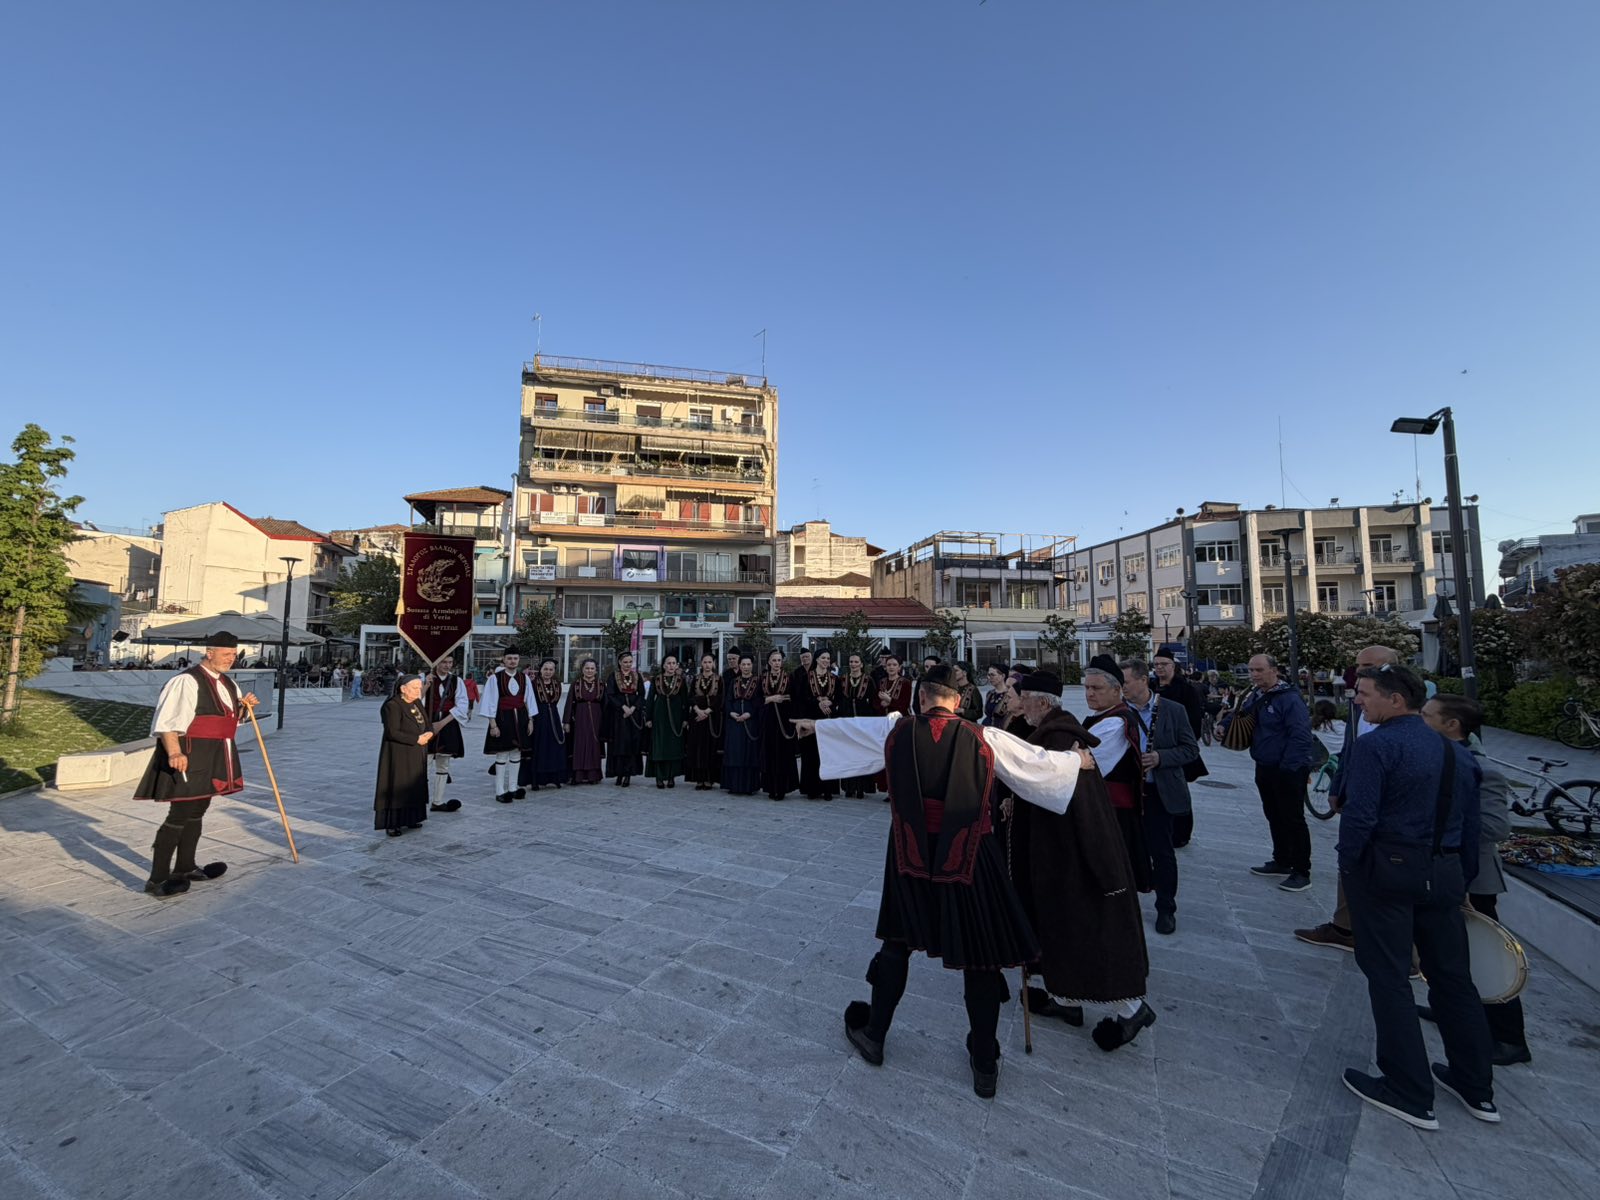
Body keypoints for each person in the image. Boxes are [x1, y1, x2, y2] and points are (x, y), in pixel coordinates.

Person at [794, 665, 1093, 1098]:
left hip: (910, 852)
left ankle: (875, 1035)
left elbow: (858, 731)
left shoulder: (897, 732)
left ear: (921, 698)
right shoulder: (984, 737)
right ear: (957, 701)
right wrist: (1076, 761)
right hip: (968, 854)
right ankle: (984, 1062)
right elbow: (1036, 765)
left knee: (897, 943)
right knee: (979, 955)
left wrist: (816, 726)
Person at [1338, 664, 1496, 1129]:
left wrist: (1350, 866)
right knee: (1453, 977)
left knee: (1389, 976)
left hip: (1389, 872)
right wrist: (1461, 879)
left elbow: (1360, 817)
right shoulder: (1455, 752)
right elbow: (1471, 826)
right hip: (1444, 872)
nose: (1358, 700)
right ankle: (1476, 1085)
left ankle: (1407, 1088)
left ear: (1395, 700)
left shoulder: (1377, 747)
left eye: (1365, 693)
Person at [1008, 671, 1157, 1048]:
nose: (1019, 704)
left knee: (1085, 926)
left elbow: (1058, 792)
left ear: (1042, 702)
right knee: (1057, 924)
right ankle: (1065, 999)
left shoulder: (1061, 738)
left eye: (1024, 697)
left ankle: (1131, 1007)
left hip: (1073, 851)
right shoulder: (1053, 731)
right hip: (1055, 848)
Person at [1421, 694, 1531, 1067]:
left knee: (1484, 953)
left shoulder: (1483, 769)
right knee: (1445, 951)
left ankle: (1509, 1037)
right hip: (1444, 870)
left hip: (1474, 877)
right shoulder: (1436, 758)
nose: (1420, 720)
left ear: (1452, 725)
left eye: (1428, 715)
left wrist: (1446, 826)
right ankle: (1448, 1006)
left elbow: (1497, 827)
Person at [132, 632, 259, 898]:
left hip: (217, 755)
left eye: (233, 654)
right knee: (179, 814)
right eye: (226, 654)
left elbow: (227, 720)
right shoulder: (186, 681)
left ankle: (186, 867)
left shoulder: (229, 683)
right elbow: (167, 721)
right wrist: (175, 752)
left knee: (198, 809)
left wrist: (246, 708)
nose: (231, 659)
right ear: (209, 653)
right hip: (190, 754)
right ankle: (157, 879)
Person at [1296, 645, 1399, 949]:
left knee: (1389, 865)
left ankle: (1399, 945)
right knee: (1349, 858)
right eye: (1358, 666)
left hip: (1391, 797)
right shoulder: (1358, 704)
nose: (1359, 672)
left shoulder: (1405, 703)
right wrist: (1337, 786)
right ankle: (1344, 927)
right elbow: (1349, 748)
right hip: (1356, 792)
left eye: (1368, 666)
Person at [1120, 657, 1199, 936]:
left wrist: (1160, 757)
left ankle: (1166, 908)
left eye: (1126, 682)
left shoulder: (1173, 710)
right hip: (1129, 791)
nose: (1122, 688)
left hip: (1158, 791)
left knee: (1162, 852)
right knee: (1126, 849)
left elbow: (1191, 749)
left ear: (1143, 680)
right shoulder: (1119, 712)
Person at [1242, 654, 1316, 892]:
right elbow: (1244, 715)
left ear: (1274, 670)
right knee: (1273, 814)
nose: (1254, 674)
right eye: (1251, 670)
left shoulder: (1289, 698)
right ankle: (1282, 860)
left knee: (1293, 818)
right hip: (1265, 764)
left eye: (1259, 670)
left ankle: (1301, 871)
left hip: (1287, 768)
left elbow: (1301, 735)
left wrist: (1289, 768)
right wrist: (1224, 726)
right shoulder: (1256, 694)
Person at [1080, 657, 1153, 896]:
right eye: (1087, 687)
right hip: (1105, 807)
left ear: (1116, 690)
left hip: (1113, 812)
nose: (1089, 693)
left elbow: (1087, 765)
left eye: (1096, 688)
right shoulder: (1105, 716)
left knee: (1110, 876)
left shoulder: (1115, 723)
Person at [1153, 649, 1207, 847]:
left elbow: (1194, 721)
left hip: (1177, 748)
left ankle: (1181, 833)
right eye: (1156, 664)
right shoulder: (1151, 686)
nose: (1159, 668)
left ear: (1173, 666)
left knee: (1178, 790)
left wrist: (1185, 746)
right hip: (1155, 748)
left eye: (1164, 664)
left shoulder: (1185, 690)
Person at [375, 674, 436, 836]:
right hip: (399, 753)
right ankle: (393, 823)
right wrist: (416, 739)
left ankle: (412, 817)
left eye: (419, 688)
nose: (418, 691)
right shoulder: (392, 706)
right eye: (414, 688)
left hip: (416, 751)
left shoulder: (416, 702)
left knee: (414, 784)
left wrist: (429, 733)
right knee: (399, 786)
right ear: (403, 689)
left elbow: (427, 722)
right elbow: (392, 732)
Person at [481, 651, 537, 803]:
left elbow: (529, 699)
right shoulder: (495, 678)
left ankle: (513, 788)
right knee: (502, 754)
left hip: (521, 719)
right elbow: (489, 702)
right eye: (509, 658)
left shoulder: (524, 678)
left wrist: (530, 720)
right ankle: (500, 790)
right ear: (504, 660)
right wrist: (493, 724)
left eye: (515, 658)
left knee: (516, 753)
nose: (513, 661)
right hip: (503, 718)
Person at [422, 654, 469, 812]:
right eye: (444, 662)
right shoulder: (425, 679)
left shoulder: (457, 681)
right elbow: (415, 700)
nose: (447, 665)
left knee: (444, 763)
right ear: (436, 663)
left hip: (448, 724)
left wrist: (442, 723)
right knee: (424, 763)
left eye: (450, 662)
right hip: (427, 723)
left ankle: (438, 801)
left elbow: (462, 704)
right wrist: (426, 686)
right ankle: (419, 801)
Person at [795, 650, 839, 800]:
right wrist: (817, 703)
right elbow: (801, 698)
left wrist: (830, 703)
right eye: (823, 658)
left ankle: (828, 789)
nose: (826, 660)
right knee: (811, 754)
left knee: (827, 754)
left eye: (828, 658)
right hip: (811, 718)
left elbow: (839, 698)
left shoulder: (834, 678)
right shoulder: (806, 677)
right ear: (817, 660)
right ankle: (812, 789)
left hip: (828, 718)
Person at [834, 653, 878, 798]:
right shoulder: (842, 680)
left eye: (856, 662)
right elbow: (838, 699)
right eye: (851, 662)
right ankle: (849, 787)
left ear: (861, 664)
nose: (853, 664)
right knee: (848, 753)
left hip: (863, 720)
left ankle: (861, 787)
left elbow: (874, 700)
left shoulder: (868, 680)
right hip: (847, 719)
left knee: (862, 753)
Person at [758, 648, 799, 800]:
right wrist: (770, 699)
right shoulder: (762, 678)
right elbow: (757, 699)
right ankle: (770, 787)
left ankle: (782, 788)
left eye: (779, 660)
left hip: (784, 720)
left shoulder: (789, 678)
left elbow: (795, 698)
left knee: (783, 754)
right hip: (768, 720)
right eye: (774, 660)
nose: (776, 663)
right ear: (769, 662)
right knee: (769, 753)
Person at [522, 658, 567, 791]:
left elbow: (555, 701)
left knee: (554, 746)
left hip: (553, 717)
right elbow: (528, 701)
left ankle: (554, 777)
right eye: (545, 669)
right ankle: (536, 779)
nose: (548, 672)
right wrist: (530, 719)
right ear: (540, 670)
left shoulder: (556, 684)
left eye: (551, 669)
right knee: (539, 747)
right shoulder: (533, 684)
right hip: (539, 717)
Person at [604, 651, 647, 787]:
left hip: (634, 714)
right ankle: (618, 772)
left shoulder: (637, 676)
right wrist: (622, 707)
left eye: (630, 662)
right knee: (619, 743)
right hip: (618, 715)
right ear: (620, 663)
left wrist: (633, 708)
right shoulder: (613, 676)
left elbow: (641, 694)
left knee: (631, 743)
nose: (628, 664)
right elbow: (610, 695)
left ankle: (628, 773)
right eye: (625, 662)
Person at [723, 654, 763, 795]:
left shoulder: (758, 681)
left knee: (749, 753)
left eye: (748, 664)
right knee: (735, 752)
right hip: (735, 722)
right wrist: (731, 713)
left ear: (752, 665)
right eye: (743, 664)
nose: (746, 667)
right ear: (739, 666)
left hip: (750, 722)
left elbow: (759, 701)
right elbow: (728, 700)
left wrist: (749, 713)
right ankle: (734, 785)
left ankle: (748, 786)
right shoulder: (734, 682)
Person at [645, 655, 688, 788]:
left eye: (674, 663)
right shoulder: (656, 679)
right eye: (668, 663)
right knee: (659, 745)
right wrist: (648, 718)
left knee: (673, 746)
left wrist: (685, 718)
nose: (671, 666)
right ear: (664, 665)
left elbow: (685, 700)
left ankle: (671, 776)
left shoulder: (681, 680)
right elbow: (650, 699)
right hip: (659, 716)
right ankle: (659, 776)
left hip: (676, 716)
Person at [562, 658, 605, 784]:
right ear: (582, 669)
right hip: (579, 719)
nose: (589, 671)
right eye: (587, 668)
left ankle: (593, 775)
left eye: (592, 668)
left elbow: (605, 704)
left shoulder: (601, 685)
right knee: (579, 746)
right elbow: (569, 703)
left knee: (594, 746)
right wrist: (566, 721)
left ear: (596, 670)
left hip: (596, 719)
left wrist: (606, 722)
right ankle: (578, 776)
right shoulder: (576, 684)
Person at [684, 654, 724, 790]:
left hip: (712, 716)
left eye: (710, 662)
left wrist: (707, 711)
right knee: (698, 747)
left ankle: (709, 779)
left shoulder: (719, 679)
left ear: (713, 664)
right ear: (701, 663)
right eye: (705, 662)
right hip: (697, 717)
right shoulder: (696, 679)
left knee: (710, 748)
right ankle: (699, 778)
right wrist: (697, 710)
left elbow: (721, 698)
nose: (707, 665)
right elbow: (690, 696)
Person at [982, 663, 1012, 727]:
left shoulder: (1009, 694)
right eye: (988, 675)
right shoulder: (990, 693)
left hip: (1001, 729)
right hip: (986, 728)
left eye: (992, 675)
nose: (989, 678)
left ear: (1003, 676)